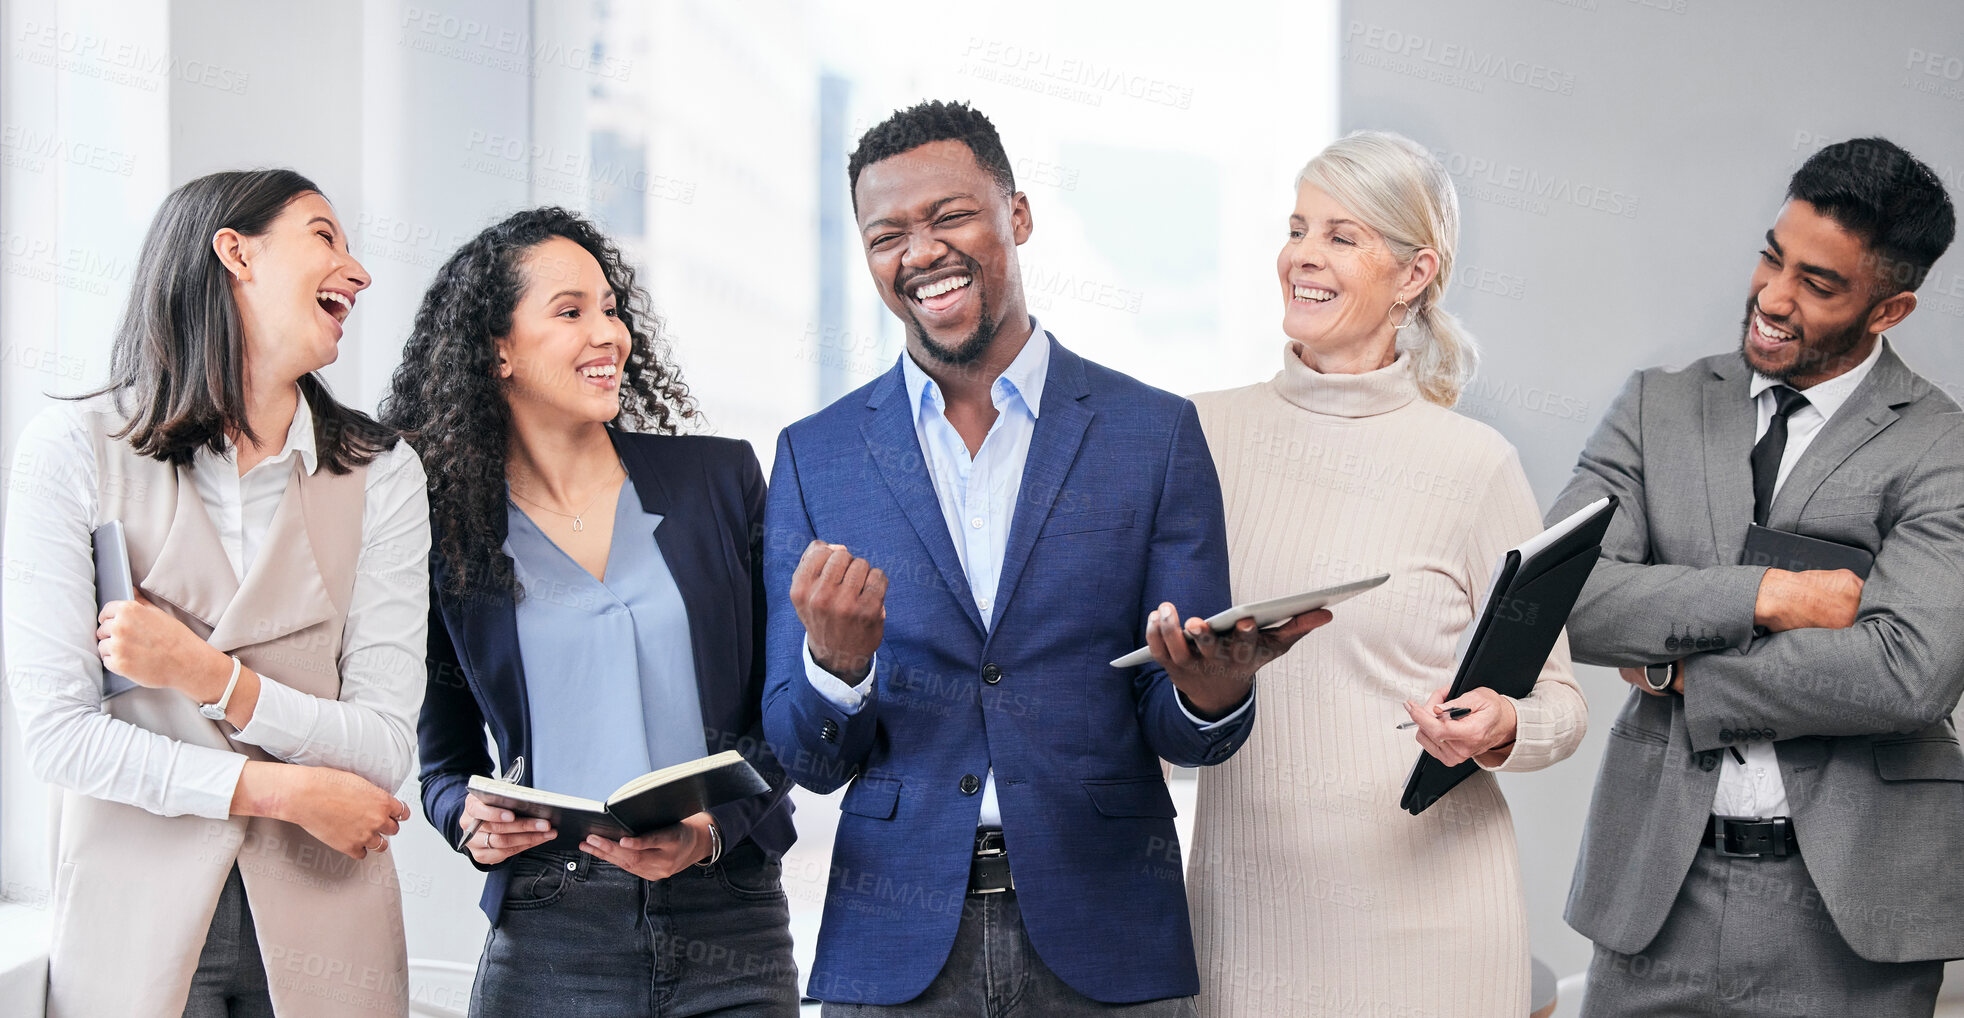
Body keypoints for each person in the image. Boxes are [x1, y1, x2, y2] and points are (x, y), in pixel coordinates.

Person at [760, 99, 1326, 1018]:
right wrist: (836, 668)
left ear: (1017, 216)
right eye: (887, 234)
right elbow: (804, 755)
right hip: (894, 947)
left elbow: (1180, 722)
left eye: (950, 216)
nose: (921, 252)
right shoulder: (812, 456)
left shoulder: (1153, 435)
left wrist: (1212, 690)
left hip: (1109, 933)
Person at [1551, 137, 1964, 1016]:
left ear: (1889, 309)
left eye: (1818, 285)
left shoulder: (1945, 449)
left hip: (1852, 918)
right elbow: (1570, 600)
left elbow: (1908, 672)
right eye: (1772, 258)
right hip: (1654, 896)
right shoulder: (1655, 406)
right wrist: (1770, 595)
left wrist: (1676, 668)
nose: (1773, 299)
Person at [1180, 130, 1587, 1016]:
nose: (1303, 257)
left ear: (1414, 275)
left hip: (1434, 930)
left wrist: (1502, 724)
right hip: (1248, 920)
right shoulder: (1199, 436)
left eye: (1343, 234)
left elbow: (1562, 703)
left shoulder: (1473, 465)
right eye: (1298, 227)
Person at [1, 169, 424, 1016]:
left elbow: (381, 749)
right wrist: (285, 790)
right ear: (235, 252)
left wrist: (209, 679)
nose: (359, 271)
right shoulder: (74, 450)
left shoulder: (383, 473)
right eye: (324, 236)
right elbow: (58, 736)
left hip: (327, 926)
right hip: (133, 924)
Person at [381, 207, 799, 1017]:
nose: (608, 333)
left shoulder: (720, 483)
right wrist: (466, 819)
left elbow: (782, 708)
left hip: (730, 921)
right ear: (497, 348)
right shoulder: (449, 529)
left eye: (611, 308)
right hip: (552, 930)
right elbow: (443, 759)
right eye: (571, 312)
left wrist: (711, 830)